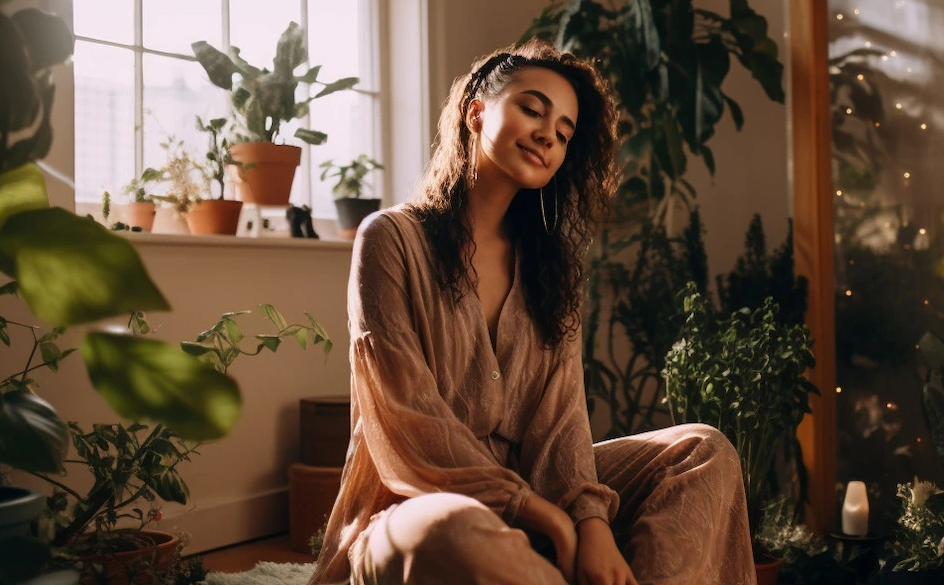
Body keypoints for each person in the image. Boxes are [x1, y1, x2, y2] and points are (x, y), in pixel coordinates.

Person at [308, 40, 754, 585]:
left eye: (565, 132)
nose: (549, 134)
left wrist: (589, 522)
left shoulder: (552, 270)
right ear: (476, 111)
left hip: (538, 491)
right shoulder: (391, 239)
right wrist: (549, 520)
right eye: (533, 109)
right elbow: (410, 425)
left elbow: (563, 420)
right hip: (417, 500)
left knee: (703, 450)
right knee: (456, 526)